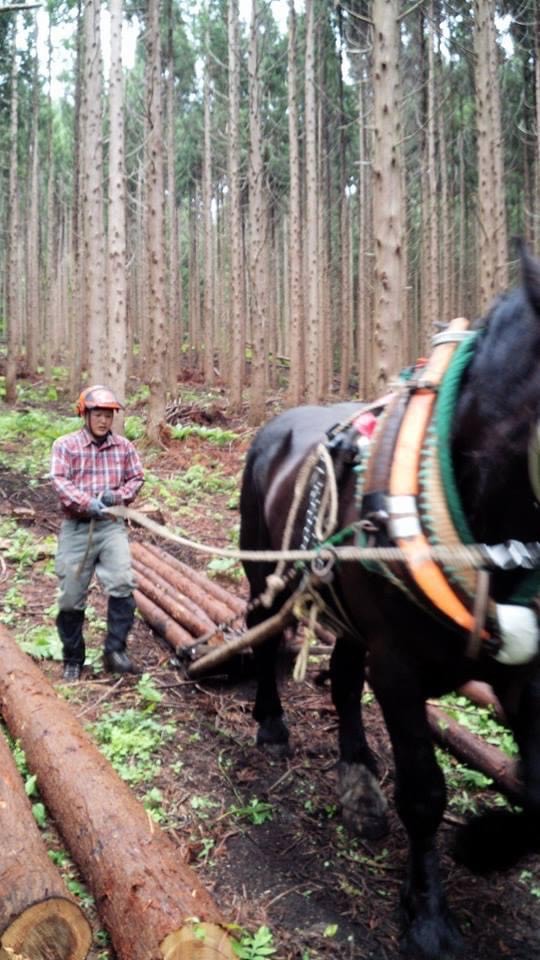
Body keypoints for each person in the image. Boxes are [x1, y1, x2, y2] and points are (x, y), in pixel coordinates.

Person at [50, 384, 145, 681]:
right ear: (85, 414)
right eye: (98, 415)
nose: (104, 421)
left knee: (122, 581)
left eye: (109, 415)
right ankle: (73, 659)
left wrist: (118, 496)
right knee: (70, 596)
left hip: (110, 527)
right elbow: (60, 481)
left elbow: (137, 477)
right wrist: (85, 502)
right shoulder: (66, 445)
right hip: (77, 527)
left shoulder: (124, 447)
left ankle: (114, 651)